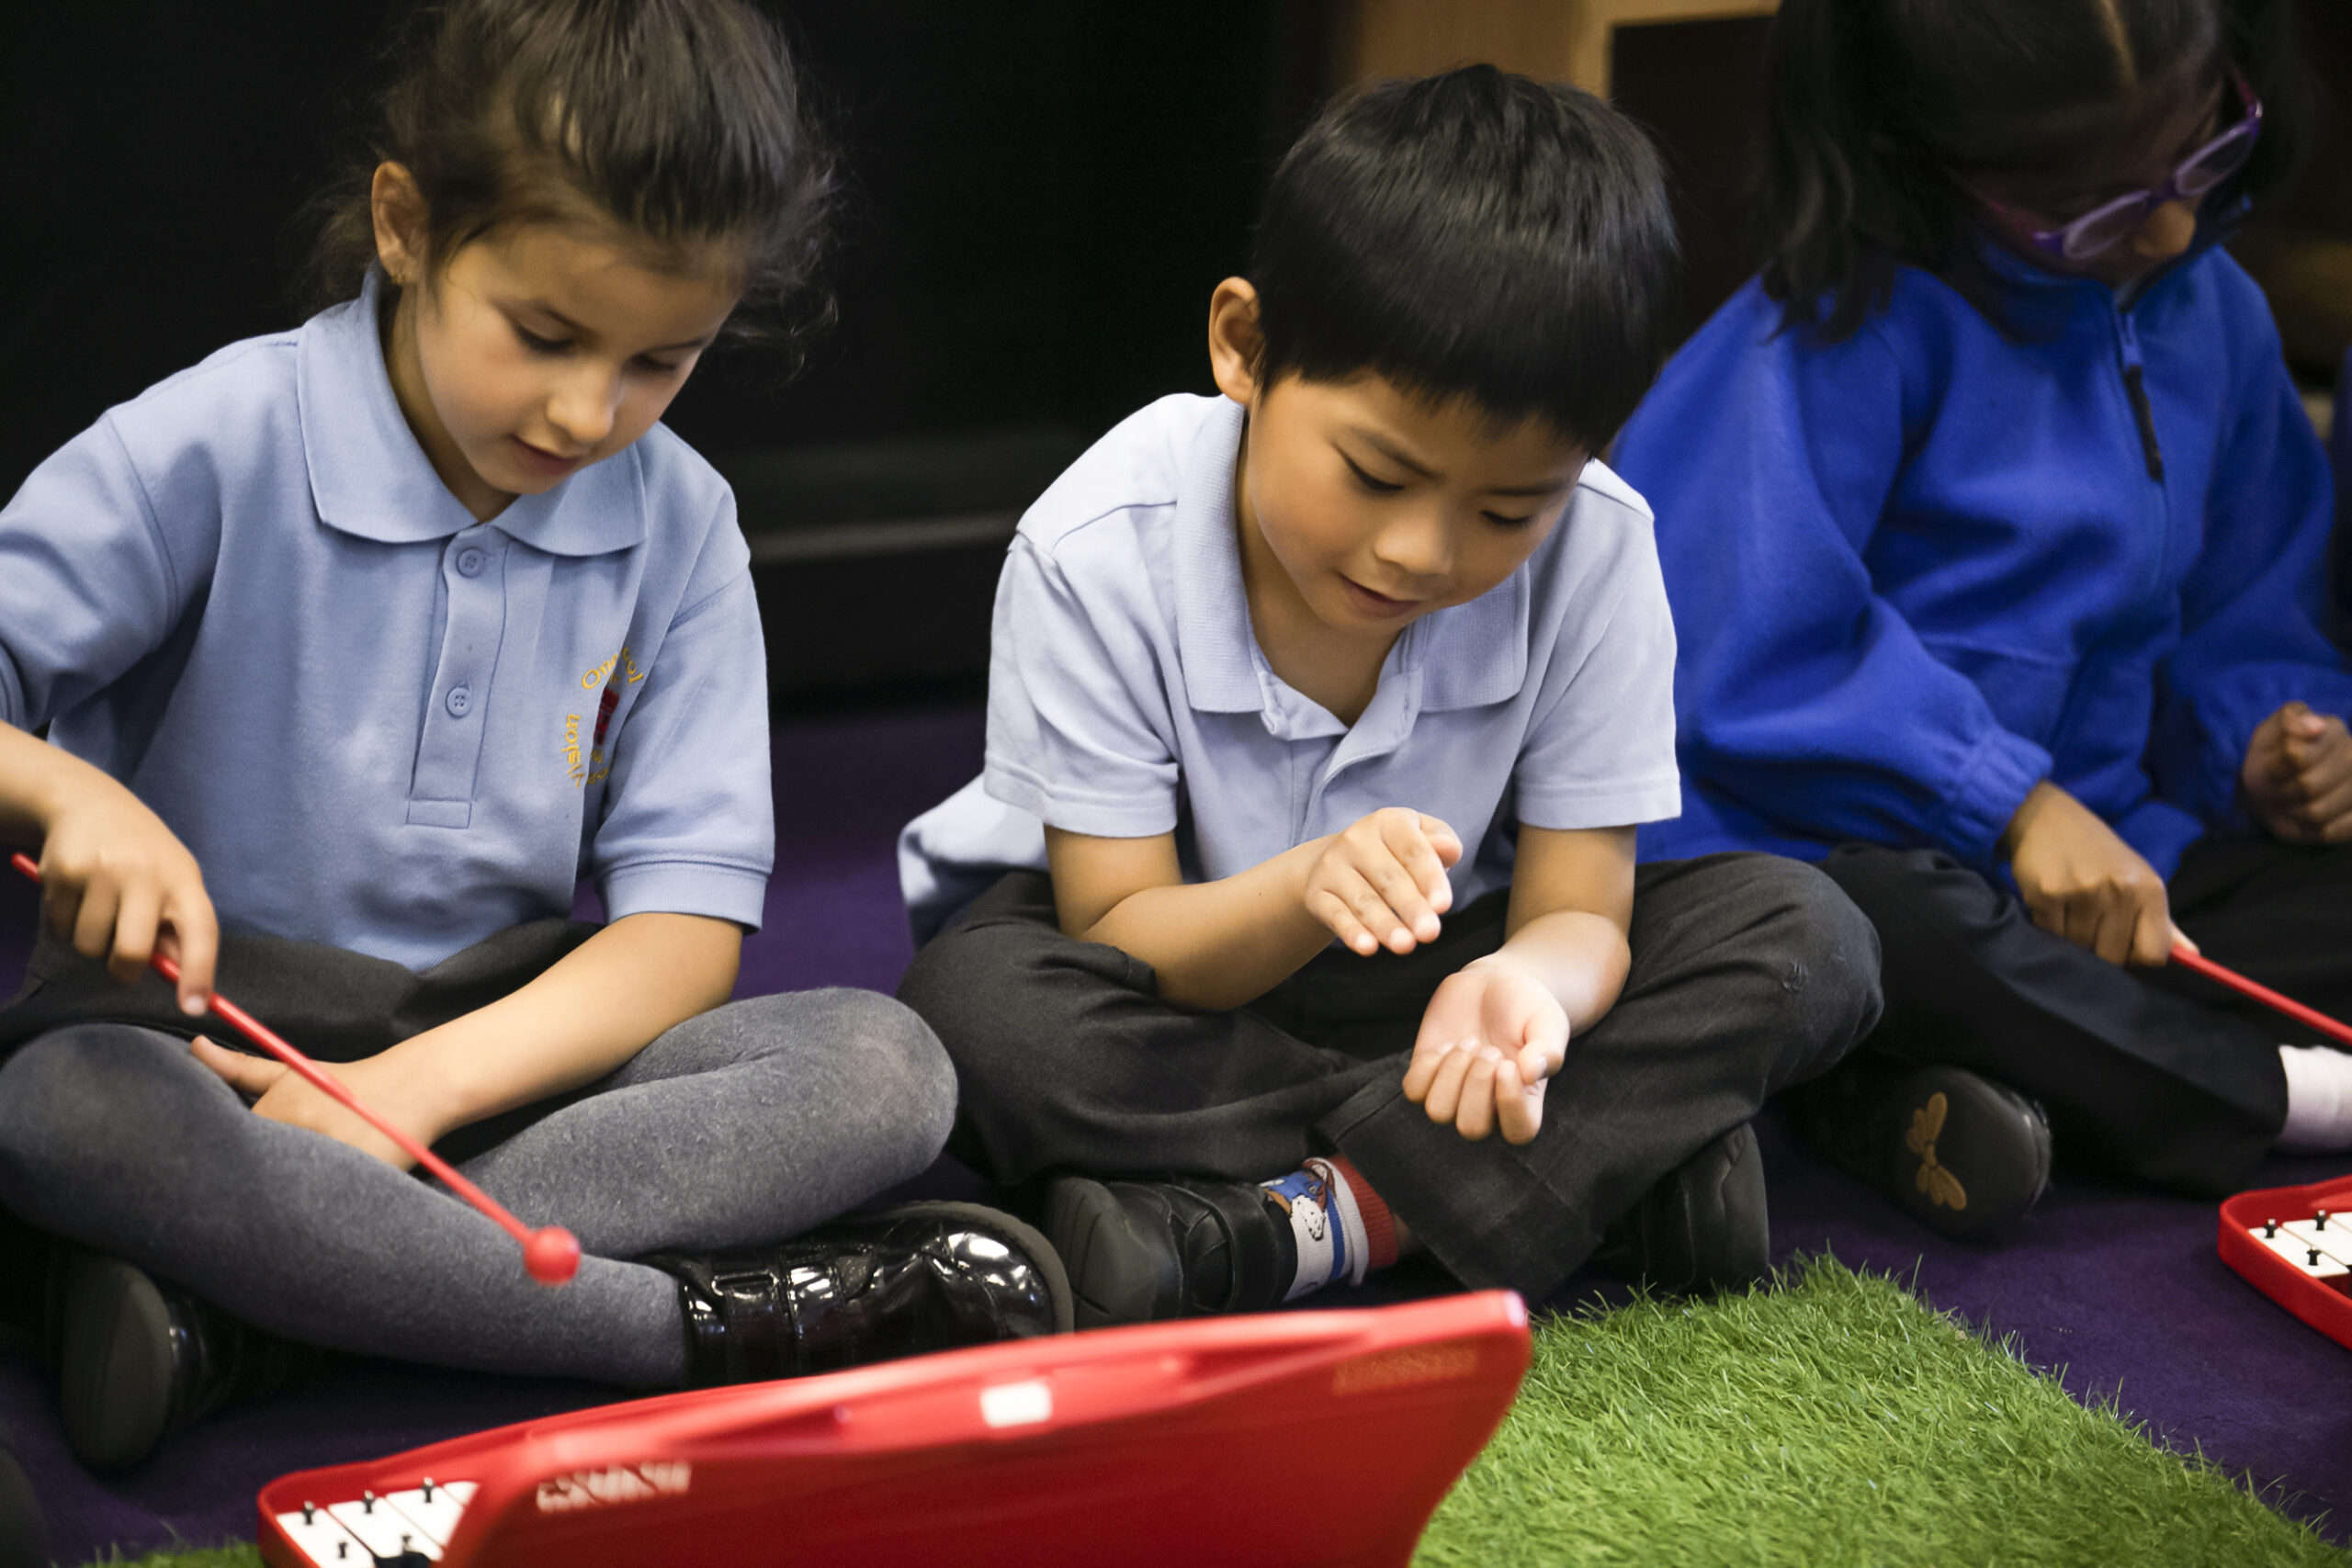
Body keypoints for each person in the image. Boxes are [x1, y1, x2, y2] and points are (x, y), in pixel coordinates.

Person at [0, 0, 1068, 1473]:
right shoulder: (214, 440)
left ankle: (252, 1318)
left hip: (491, 1055)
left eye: (660, 362)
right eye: (546, 335)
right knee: (64, 1116)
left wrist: (414, 1094)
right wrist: (66, 791)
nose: (588, 410)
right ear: (406, 226)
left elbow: (683, 934)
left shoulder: (682, 526)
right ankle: (694, 1332)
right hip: (197, 1047)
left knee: (888, 1068)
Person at [894, 68, 1883, 1326]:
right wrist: (1306, 886)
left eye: (1507, 509)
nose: (1423, 553)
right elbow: (1124, 928)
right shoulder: (1095, 543)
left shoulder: (1604, 547)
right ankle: (1595, 1176)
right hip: (1177, 971)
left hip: (1440, 981)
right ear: (1244, 348)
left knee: (1814, 936)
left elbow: (1583, 912)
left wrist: (1532, 987)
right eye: (1374, 474)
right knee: (978, 1019)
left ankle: (1317, 1222)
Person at [1611, 0, 2352, 1239]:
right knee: (1891, 939)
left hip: (2115, 872)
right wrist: (2009, 804)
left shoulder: (2214, 312)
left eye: (2207, 151)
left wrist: (2276, 745)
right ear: (1923, 155)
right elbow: (1733, 659)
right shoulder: (1818, 331)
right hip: (1822, 865)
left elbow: (2248, 607)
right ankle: (2280, 1095)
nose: (2173, 224)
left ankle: (1912, 1092)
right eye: (2099, 211)